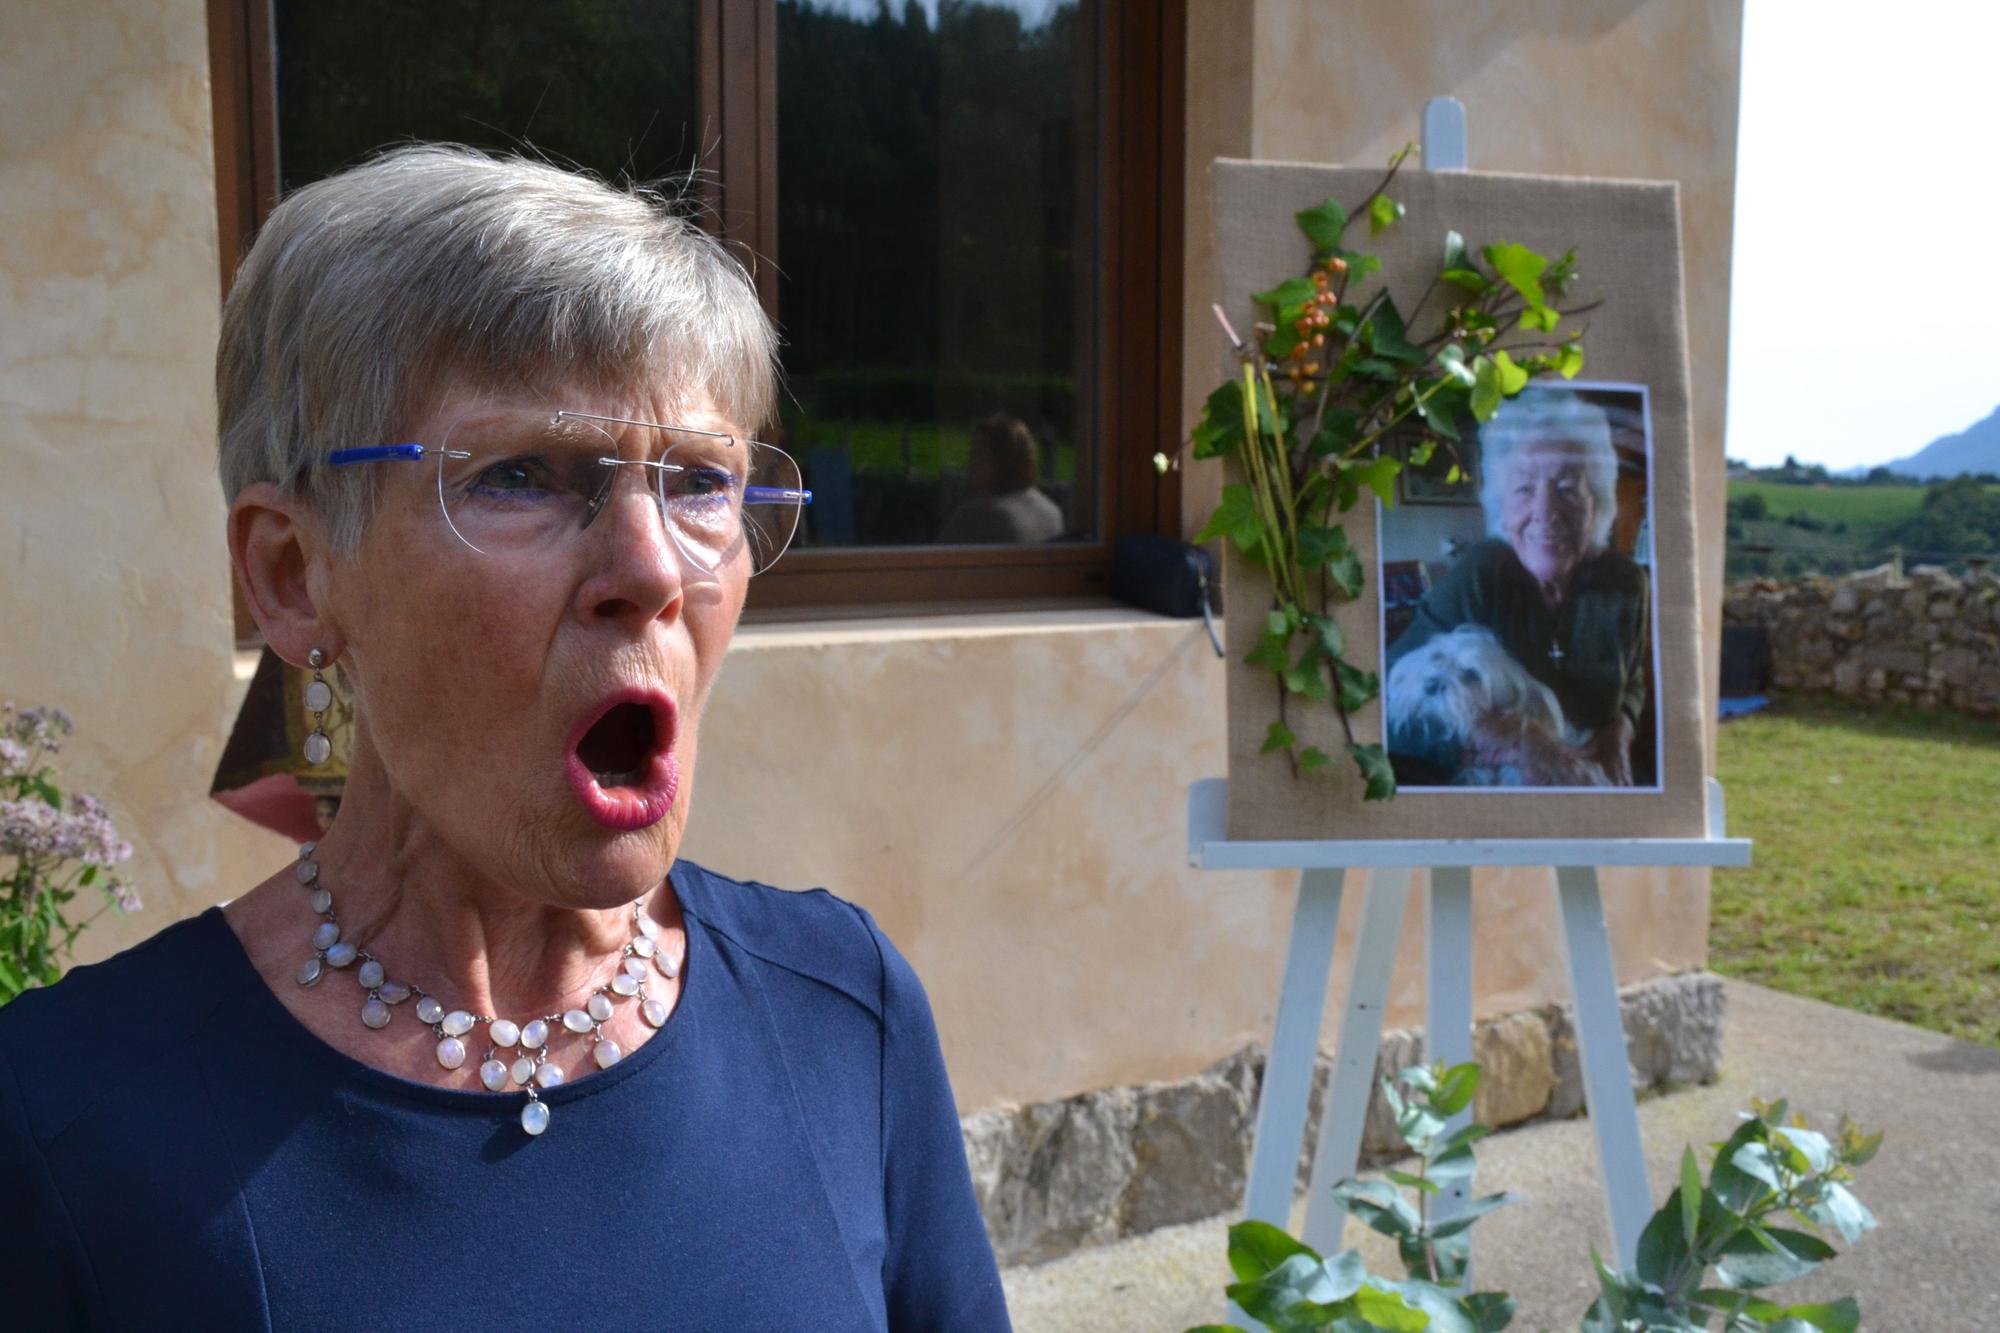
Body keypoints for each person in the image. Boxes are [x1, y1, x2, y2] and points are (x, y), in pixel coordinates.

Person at [0, 146, 1010, 1330]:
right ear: (293, 571)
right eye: (523, 473)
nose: (648, 571)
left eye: (698, 482)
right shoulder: (64, 1115)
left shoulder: (847, 1011)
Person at [1385, 387, 1650, 786]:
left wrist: (1621, 730)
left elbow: (1632, 680)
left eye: (1566, 488)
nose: (1545, 512)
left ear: (1595, 502)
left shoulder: (1625, 582)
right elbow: (1388, 691)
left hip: (1592, 777)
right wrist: (1516, 738)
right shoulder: (1482, 573)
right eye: (1525, 488)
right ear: (1501, 505)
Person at [936, 414, 1065, 543]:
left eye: (976, 454)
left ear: (1001, 461)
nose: (969, 464)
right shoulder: (1051, 512)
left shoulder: (978, 516)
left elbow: (934, 559)